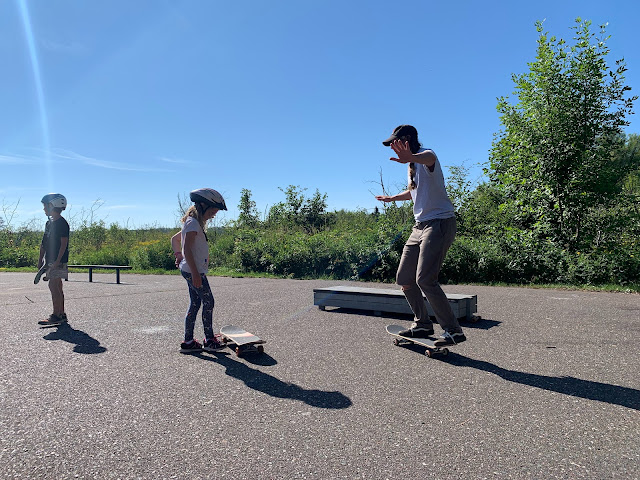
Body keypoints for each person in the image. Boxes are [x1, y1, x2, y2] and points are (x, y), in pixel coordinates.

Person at [376, 125, 466, 346]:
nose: (393, 147)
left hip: (439, 223)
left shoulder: (426, 155)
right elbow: (413, 192)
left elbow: (429, 158)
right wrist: (392, 198)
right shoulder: (412, 166)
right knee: (404, 279)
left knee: (425, 279)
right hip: (419, 226)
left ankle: (453, 330)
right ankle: (423, 324)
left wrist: (412, 156)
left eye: (396, 143)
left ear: (407, 140)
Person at [171, 188, 227, 353]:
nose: (214, 214)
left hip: (190, 269)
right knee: (209, 302)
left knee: (195, 304)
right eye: (213, 210)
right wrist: (195, 273)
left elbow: (175, 239)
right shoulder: (193, 223)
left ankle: (188, 342)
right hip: (193, 271)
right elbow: (187, 248)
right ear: (203, 205)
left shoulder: (192, 222)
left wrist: (178, 256)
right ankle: (209, 340)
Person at [37, 193, 70, 326]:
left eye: (45, 206)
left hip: (58, 261)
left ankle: (56, 315)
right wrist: (40, 259)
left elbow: (63, 244)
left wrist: (57, 262)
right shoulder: (49, 223)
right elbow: (44, 243)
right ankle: (61, 314)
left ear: (52, 206)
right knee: (57, 286)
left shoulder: (62, 223)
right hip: (50, 259)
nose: (44, 209)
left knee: (54, 286)